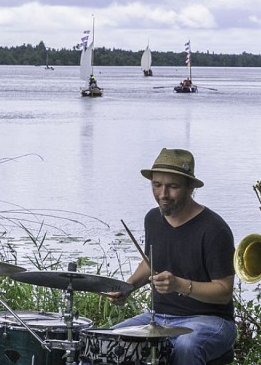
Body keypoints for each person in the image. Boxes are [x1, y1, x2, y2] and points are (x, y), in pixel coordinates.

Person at [104, 148, 236, 365]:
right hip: (157, 317)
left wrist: (179, 285)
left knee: (186, 346)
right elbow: (150, 263)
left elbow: (223, 292)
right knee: (107, 339)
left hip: (211, 321)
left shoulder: (214, 229)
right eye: (157, 185)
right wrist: (127, 286)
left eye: (173, 187)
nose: (163, 194)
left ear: (190, 187)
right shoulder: (153, 218)